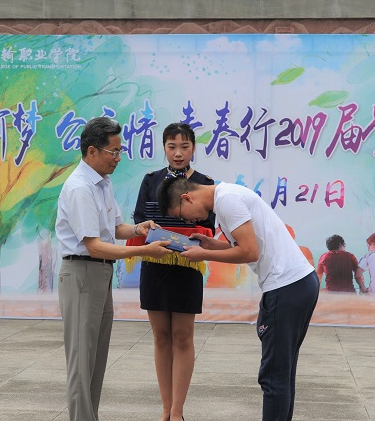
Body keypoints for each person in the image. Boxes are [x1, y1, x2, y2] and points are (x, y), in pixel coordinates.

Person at [157, 177, 319, 421]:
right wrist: (211, 245)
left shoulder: (227, 201)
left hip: (285, 286)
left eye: (182, 215)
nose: (189, 221)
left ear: (186, 198)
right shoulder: (227, 198)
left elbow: (249, 252)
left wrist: (204, 255)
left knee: (273, 376)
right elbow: (247, 246)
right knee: (282, 373)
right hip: (298, 283)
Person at [55, 116, 172, 421]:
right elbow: (93, 245)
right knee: (81, 363)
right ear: (92, 151)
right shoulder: (80, 188)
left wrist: (138, 229)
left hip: (99, 275)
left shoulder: (102, 183)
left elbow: (115, 228)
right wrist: (144, 250)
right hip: (82, 274)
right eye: (113, 152)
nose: (118, 158)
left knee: (95, 360)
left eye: (120, 151)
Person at [133, 123, 215, 421]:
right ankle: (165, 408)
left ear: (193, 148)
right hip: (154, 264)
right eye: (171, 146)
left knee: (182, 336)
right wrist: (148, 228)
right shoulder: (150, 180)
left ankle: (178, 411)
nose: (178, 153)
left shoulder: (205, 183)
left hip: (188, 265)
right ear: (164, 148)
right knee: (160, 337)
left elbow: (210, 226)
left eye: (184, 146)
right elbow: (139, 220)